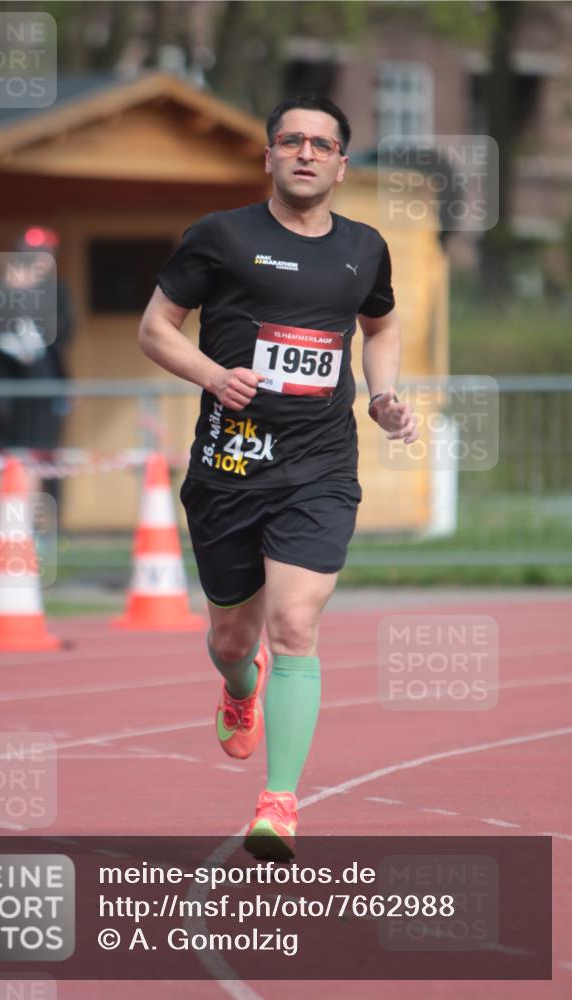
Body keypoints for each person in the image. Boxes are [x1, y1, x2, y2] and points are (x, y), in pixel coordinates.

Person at [139, 95, 417, 861]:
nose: (304, 152)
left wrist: (384, 394)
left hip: (319, 465)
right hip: (229, 466)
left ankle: (278, 804)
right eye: (289, 140)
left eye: (320, 143)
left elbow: (380, 322)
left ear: (340, 164)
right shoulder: (221, 236)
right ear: (267, 156)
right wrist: (208, 374)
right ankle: (238, 686)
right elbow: (155, 327)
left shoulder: (363, 248)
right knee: (233, 634)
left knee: (295, 624)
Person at [0, 226, 74, 508]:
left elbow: (66, 334)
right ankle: (0, 528)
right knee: (3, 458)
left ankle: (29, 529)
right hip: (6, 391)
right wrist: (15, 294)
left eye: (44, 255)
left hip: (43, 389)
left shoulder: (57, 292)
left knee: (38, 456)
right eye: (31, 256)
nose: (38, 262)